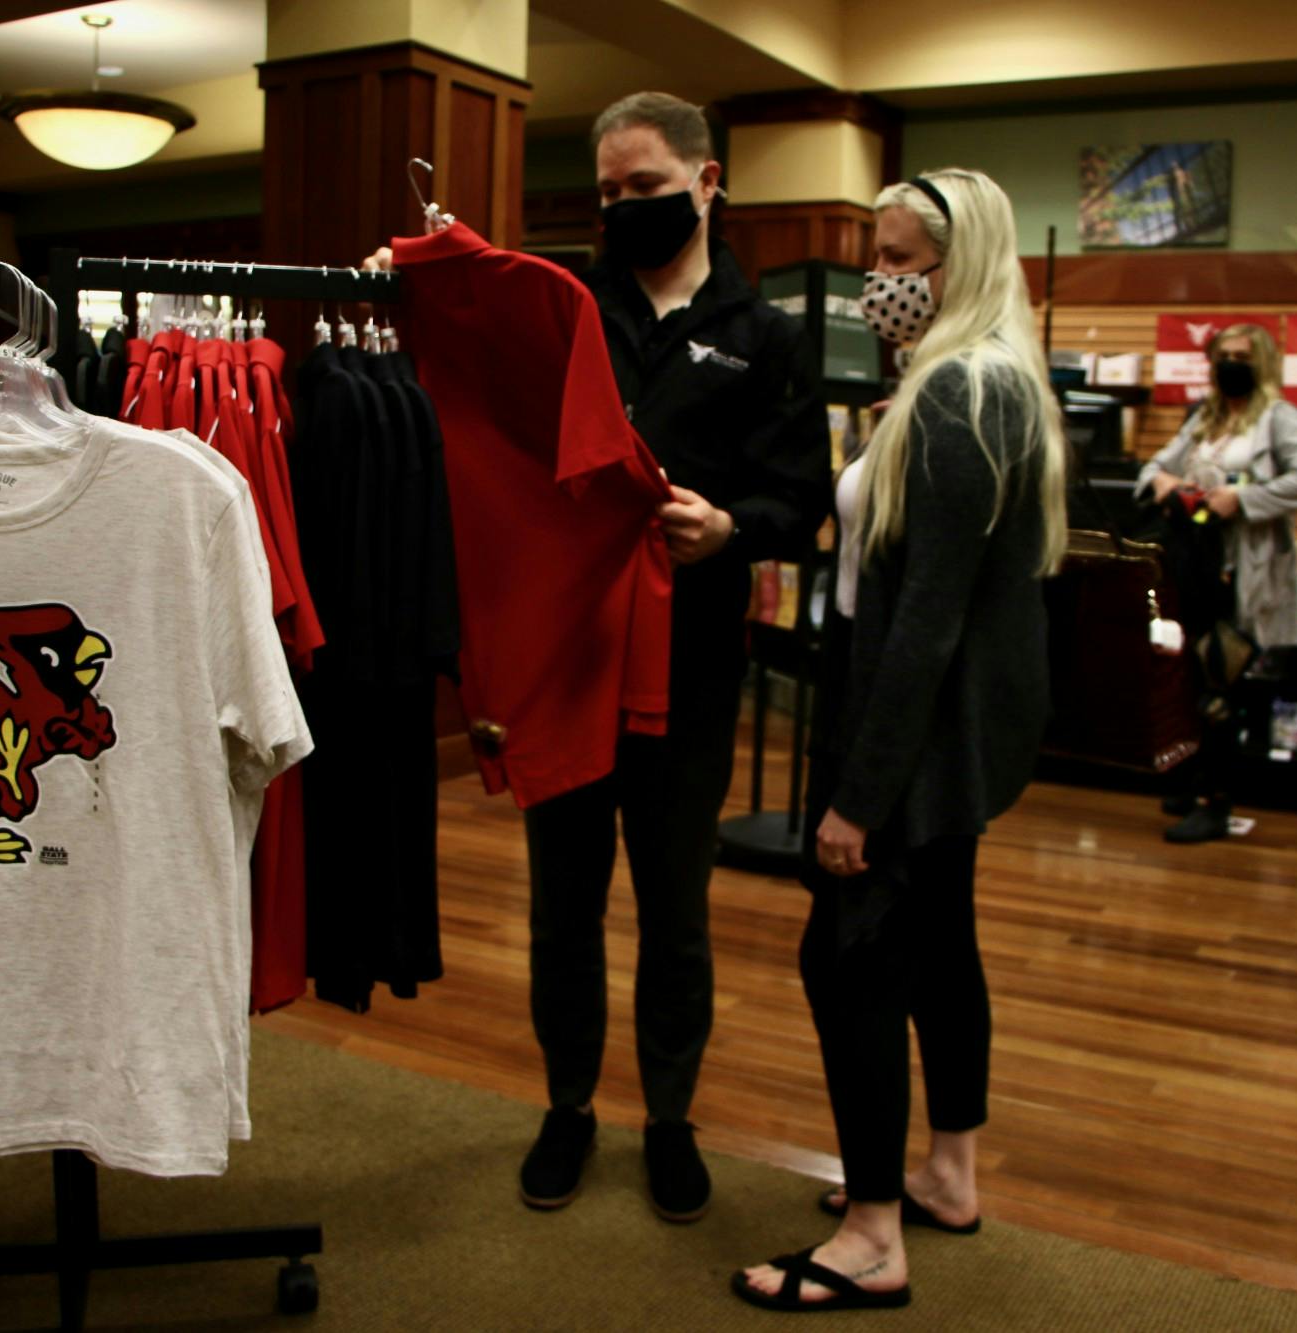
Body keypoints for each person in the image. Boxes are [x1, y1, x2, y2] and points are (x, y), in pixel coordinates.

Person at [367, 92, 830, 1222]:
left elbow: (801, 499)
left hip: (693, 665)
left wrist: (728, 527)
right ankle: (566, 1104)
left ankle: (669, 1119)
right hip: (561, 659)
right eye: (609, 192)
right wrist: (408, 272)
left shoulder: (763, 335)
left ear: (706, 180)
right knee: (560, 904)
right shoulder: (569, 306)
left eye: (645, 188)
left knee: (676, 911)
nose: (624, 209)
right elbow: (478, 326)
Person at [732, 168, 1066, 1312]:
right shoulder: (986, 381)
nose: (878, 285)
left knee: (848, 961)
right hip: (951, 742)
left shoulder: (960, 397)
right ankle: (944, 1174)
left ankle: (873, 1233)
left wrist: (857, 801)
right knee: (938, 947)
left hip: (914, 746)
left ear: (954, 265)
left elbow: (920, 625)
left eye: (898, 263)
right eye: (874, 259)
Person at [1138, 325, 1297, 844]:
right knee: (1196, 679)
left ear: (1262, 362)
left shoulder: (1278, 418)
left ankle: (1216, 803)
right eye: (1222, 355)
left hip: (1243, 572)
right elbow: (1157, 465)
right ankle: (1196, 781)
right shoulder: (1206, 416)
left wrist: (1243, 498)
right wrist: (1163, 481)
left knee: (1223, 684)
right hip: (1196, 564)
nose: (1230, 364)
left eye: (1241, 356)